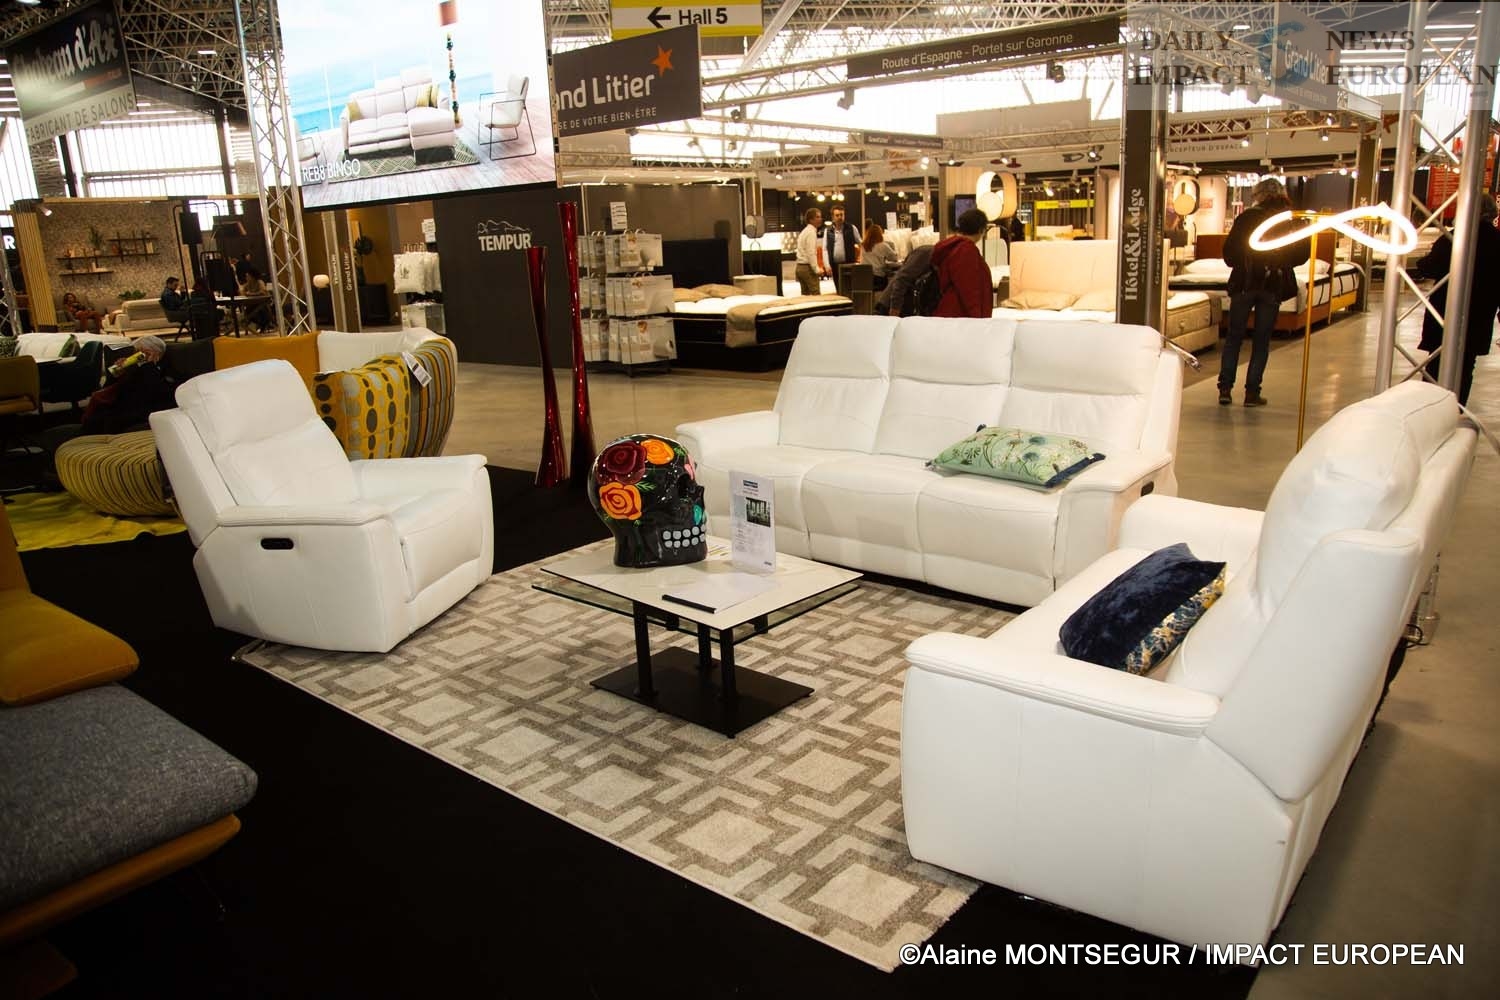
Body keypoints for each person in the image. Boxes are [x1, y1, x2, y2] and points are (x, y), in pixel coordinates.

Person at [1218, 178, 1305, 407]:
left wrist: (1246, 262)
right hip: (1272, 284)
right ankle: (1251, 393)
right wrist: (1279, 261)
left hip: (1244, 283)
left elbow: (1229, 254)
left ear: (1258, 195)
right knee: (1261, 340)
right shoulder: (1288, 220)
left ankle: (1225, 389)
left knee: (1234, 337)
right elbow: (1301, 254)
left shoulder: (1246, 218)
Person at [1416, 193, 1499, 407]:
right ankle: (1456, 408)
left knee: (1436, 363)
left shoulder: (1453, 238)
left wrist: (1422, 261)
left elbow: (1429, 266)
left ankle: (1429, 408)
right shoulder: (1497, 241)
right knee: (1466, 365)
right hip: (1479, 315)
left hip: (1445, 311)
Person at [82, 335, 178, 435]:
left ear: (155, 353)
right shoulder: (136, 367)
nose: (137, 356)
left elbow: (155, 391)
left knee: (109, 420)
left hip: (143, 410)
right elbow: (112, 389)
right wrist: (117, 375)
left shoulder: (165, 370)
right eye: (135, 352)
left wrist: (149, 365)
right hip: (122, 406)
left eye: (141, 352)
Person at [929, 208, 992, 318]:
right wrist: (977, 318)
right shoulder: (966, 250)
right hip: (960, 315)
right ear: (981, 230)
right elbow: (969, 288)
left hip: (952, 312)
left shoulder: (953, 247)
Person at [877, 231, 938, 317]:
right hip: (892, 306)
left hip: (908, 307)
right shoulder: (926, 253)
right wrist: (895, 310)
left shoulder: (932, 257)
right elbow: (901, 280)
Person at [822, 205, 862, 289]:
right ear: (833, 217)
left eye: (842, 215)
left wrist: (862, 259)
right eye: (837, 215)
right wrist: (827, 265)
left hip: (849, 265)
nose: (840, 217)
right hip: (834, 266)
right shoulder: (827, 231)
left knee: (849, 288)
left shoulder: (852, 228)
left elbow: (861, 244)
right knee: (838, 289)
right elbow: (825, 249)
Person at [794, 207, 825, 295]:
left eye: (820, 217)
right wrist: (816, 269)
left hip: (800, 267)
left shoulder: (804, 231)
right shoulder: (811, 232)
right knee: (816, 295)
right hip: (807, 268)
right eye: (817, 217)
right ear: (811, 220)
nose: (820, 219)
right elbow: (811, 253)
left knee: (805, 297)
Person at [862, 224, 898, 292]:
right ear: (880, 234)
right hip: (878, 279)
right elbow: (894, 258)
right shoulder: (883, 245)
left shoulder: (863, 246)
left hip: (864, 279)